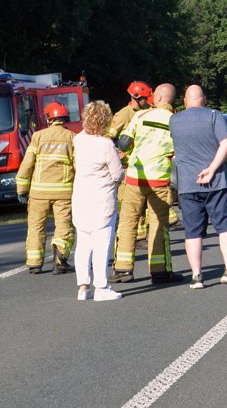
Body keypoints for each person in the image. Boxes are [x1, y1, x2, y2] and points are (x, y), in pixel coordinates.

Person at [170, 85, 227, 288]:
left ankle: (196, 276)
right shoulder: (214, 116)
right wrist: (212, 169)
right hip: (216, 183)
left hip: (188, 184)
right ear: (204, 99)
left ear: (185, 101)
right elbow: (226, 143)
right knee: (225, 226)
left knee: (193, 232)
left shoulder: (174, 120)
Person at [112, 83, 181, 285]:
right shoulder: (175, 121)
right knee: (159, 224)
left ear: (157, 98)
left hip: (135, 178)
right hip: (160, 180)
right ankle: (160, 272)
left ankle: (122, 270)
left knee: (128, 222)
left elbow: (124, 143)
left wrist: (129, 154)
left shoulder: (141, 116)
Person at [71, 100, 124, 301]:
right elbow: (117, 174)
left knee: (83, 244)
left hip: (81, 197)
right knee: (101, 245)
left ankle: (83, 287)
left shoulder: (78, 139)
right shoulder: (106, 144)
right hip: (101, 199)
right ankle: (101, 287)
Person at [16, 102, 76, 274]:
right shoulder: (73, 137)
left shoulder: (38, 136)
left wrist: (22, 188)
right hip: (64, 192)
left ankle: (34, 263)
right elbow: (78, 165)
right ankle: (60, 262)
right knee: (63, 226)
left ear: (49, 118)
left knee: (36, 226)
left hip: (38, 192)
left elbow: (27, 165)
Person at [108, 81, 153, 261]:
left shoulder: (145, 112)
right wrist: (117, 153)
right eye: (145, 98)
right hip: (127, 168)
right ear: (136, 97)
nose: (148, 101)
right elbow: (108, 136)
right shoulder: (124, 114)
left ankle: (139, 237)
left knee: (141, 204)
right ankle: (123, 244)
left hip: (141, 166)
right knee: (129, 205)